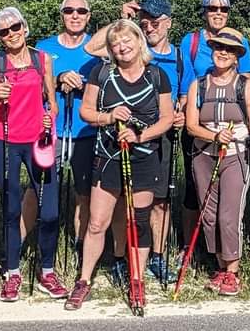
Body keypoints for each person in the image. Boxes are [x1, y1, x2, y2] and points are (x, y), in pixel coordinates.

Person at [85, 0, 193, 285]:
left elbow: (184, 93)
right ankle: (122, 259)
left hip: (160, 134)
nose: (150, 27)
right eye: (145, 22)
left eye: (156, 22)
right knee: (123, 202)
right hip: (119, 136)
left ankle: (156, 257)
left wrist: (180, 113)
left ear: (168, 22)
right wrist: (124, 21)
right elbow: (92, 46)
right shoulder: (125, 48)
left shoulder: (179, 54)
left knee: (160, 203)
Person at [68, 19, 174, 310]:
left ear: (139, 41)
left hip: (144, 157)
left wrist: (141, 135)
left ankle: (137, 280)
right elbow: (87, 111)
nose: (122, 47)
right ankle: (84, 280)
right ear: (110, 50)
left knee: (138, 222)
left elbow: (166, 118)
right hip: (107, 155)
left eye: (127, 41)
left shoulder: (157, 76)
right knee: (97, 222)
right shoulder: (101, 73)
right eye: (116, 44)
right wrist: (110, 116)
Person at [0, 7, 63, 301]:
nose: (11, 34)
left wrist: (48, 116)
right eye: (3, 31)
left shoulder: (43, 60)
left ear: (25, 27)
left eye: (15, 27)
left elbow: (52, 104)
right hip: (5, 143)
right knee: (12, 210)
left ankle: (47, 271)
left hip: (37, 143)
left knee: (51, 210)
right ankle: (12, 272)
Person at [184, 28, 250, 296]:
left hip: (235, 155)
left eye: (229, 50)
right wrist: (214, 135)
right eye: (218, 47)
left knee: (228, 217)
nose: (223, 52)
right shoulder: (199, 84)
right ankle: (220, 266)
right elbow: (191, 127)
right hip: (203, 155)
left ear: (237, 56)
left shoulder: (246, 85)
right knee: (208, 215)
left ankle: (233, 272)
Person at [177, 0, 250, 258]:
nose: (218, 13)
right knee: (194, 191)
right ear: (204, 11)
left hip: (231, 136)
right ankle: (193, 248)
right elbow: (187, 82)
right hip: (198, 121)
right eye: (212, 8)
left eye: (223, 9)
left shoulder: (237, 42)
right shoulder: (192, 41)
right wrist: (185, 111)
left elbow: (244, 87)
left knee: (226, 207)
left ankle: (225, 258)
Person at [33, 0, 101, 270]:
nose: (75, 15)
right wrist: (57, 79)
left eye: (81, 11)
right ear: (61, 14)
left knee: (84, 194)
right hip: (52, 132)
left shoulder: (97, 48)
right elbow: (33, 88)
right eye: (69, 10)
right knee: (42, 190)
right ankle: (40, 246)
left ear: (88, 15)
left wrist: (84, 86)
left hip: (87, 132)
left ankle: (80, 248)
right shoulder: (44, 48)